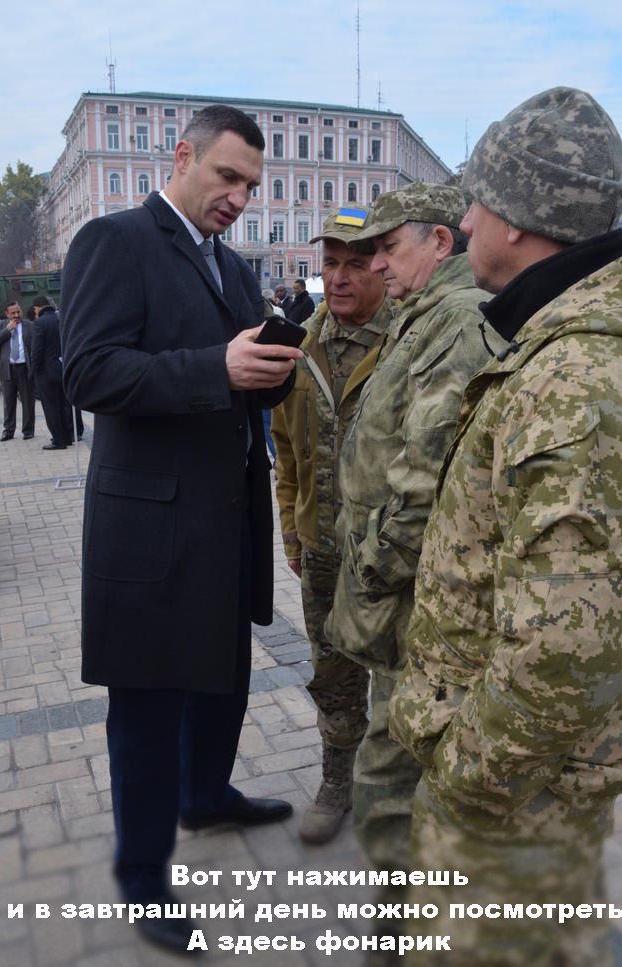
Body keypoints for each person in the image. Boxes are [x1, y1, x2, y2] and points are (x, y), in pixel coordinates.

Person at [389, 87, 622, 966]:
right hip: (525, 786)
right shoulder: (565, 344)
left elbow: (567, 650)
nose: (465, 218)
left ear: (522, 222)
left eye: (479, 202)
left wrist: (467, 778)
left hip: (510, 804)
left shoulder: (576, 378)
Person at [60, 104, 303, 955]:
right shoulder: (115, 241)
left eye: (251, 185)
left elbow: (242, 379)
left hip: (226, 513)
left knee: (223, 674)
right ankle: (141, 876)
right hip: (150, 525)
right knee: (152, 698)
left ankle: (205, 794)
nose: (239, 196)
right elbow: (89, 370)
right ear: (183, 155)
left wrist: (272, 371)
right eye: (227, 176)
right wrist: (217, 366)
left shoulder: (232, 268)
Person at [324, 184, 502, 874]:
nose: (376, 268)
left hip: (415, 593)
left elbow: (426, 474)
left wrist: (371, 564)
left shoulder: (456, 318)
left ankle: (409, 931)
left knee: (392, 776)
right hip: (407, 589)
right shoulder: (424, 310)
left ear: (440, 242)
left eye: (389, 249)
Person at [271, 207, 391, 844]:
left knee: (403, 682)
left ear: (381, 265)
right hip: (322, 549)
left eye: (355, 263)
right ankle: (336, 781)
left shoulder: (412, 346)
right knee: (333, 674)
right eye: (330, 265)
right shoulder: (298, 345)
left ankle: (399, 793)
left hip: (395, 557)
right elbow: (285, 454)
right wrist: (292, 533)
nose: (339, 278)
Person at [30, 295, 84, 450]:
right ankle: (68, 436)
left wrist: (33, 371)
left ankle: (59, 440)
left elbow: (37, 351)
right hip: (64, 369)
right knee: (65, 405)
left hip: (46, 373)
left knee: (51, 407)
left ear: (37, 308)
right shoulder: (62, 318)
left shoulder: (39, 323)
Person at [0, 301, 35, 441]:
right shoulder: (2, 325)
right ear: (6, 314)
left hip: (24, 368)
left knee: (27, 400)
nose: (16, 315)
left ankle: (28, 430)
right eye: (13, 313)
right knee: (8, 401)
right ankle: (8, 431)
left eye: (18, 312)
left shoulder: (29, 326)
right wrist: (7, 330)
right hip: (7, 369)